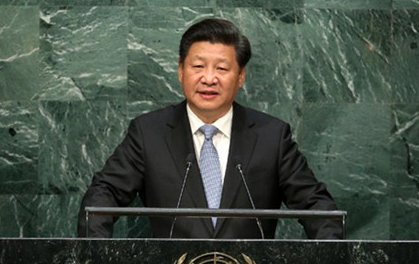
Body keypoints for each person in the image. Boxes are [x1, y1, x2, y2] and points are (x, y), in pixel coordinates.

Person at [77, 18, 342, 239]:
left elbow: (315, 205)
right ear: (181, 71)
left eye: (222, 68)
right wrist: (98, 257)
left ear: (240, 77)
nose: (209, 78)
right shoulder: (149, 133)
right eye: (198, 66)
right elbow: (104, 194)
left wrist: (330, 262)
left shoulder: (271, 136)